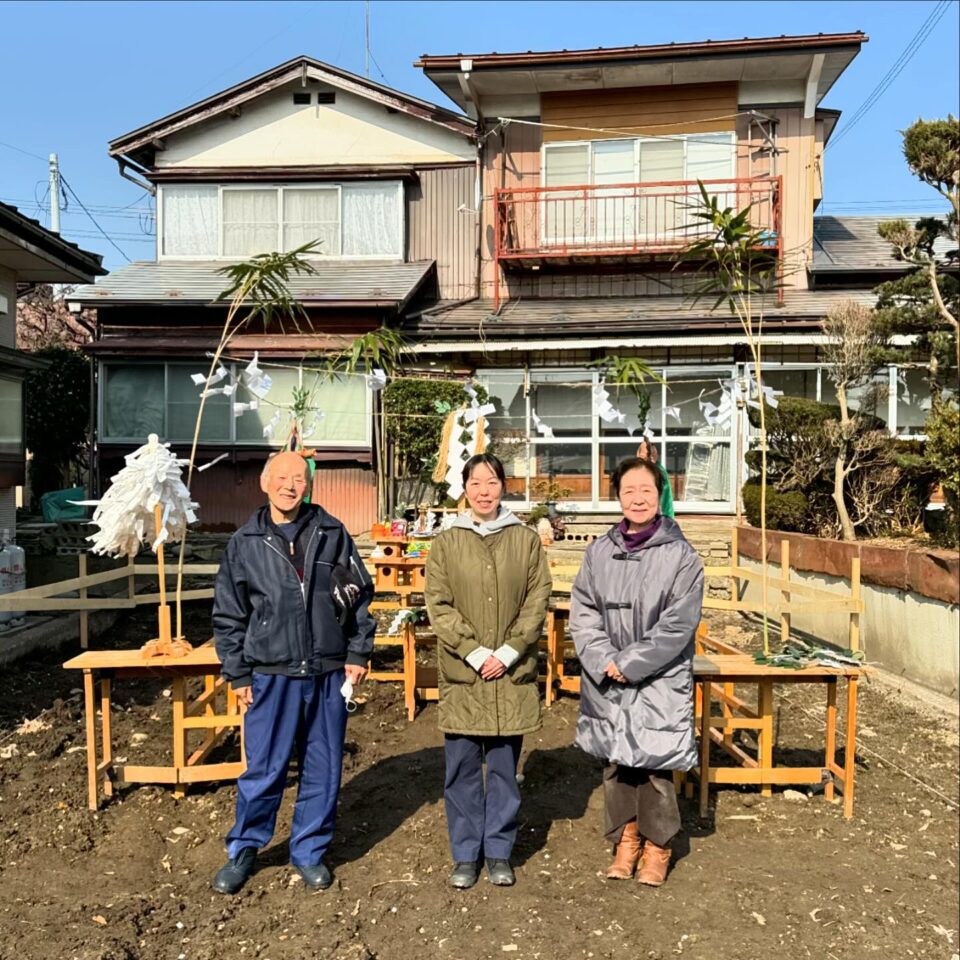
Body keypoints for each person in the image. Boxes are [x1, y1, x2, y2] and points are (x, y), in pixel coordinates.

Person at [211, 451, 374, 894]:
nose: (290, 485)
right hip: (271, 673)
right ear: (264, 483)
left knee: (323, 767)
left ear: (308, 484)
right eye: (281, 477)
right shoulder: (245, 543)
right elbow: (229, 616)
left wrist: (358, 652)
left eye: (299, 478)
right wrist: (239, 674)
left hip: (327, 672)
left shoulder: (332, 532)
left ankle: (309, 851)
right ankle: (245, 848)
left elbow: (358, 596)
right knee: (264, 767)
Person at [569, 456, 703, 887]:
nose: (638, 499)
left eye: (647, 490)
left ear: (660, 495)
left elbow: (678, 625)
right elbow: (583, 611)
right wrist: (604, 659)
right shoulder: (600, 551)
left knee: (656, 766)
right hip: (606, 674)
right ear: (618, 496)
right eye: (629, 491)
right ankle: (626, 840)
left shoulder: (682, 557)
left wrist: (631, 663)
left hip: (659, 678)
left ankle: (658, 846)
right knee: (615, 764)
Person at [425, 453, 552, 890]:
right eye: (476, 482)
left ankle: (498, 850)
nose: (484, 490)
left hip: (510, 675)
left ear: (504, 486)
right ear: (465, 488)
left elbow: (538, 597)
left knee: (503, 769)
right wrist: (475, 652)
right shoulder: (447, 542)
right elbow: (438, 605)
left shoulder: (525, 539)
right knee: (460, 770)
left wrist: (513, 649)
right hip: (465, 674)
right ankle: (465, 854)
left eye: (492, 481)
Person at [635, 438, 674, 518]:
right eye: (646, 454)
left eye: (653, 454)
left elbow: (667, 499)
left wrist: (669, 519)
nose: (650, 457)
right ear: (638, 455)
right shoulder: (633, 472)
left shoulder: (661, 472)